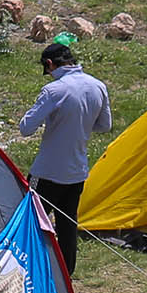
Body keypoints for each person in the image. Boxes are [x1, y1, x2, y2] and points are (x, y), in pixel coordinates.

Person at [19, 39, 112, 274]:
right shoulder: (98, 86)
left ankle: (26, 268)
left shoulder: (54, 90)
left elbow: (26, 128)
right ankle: (65, 275)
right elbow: (104, 125)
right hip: (77, 172)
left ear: (50, 64)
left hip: (47, 171)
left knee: (29, 221)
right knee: (68, 225)